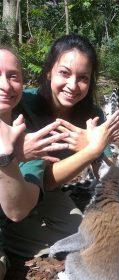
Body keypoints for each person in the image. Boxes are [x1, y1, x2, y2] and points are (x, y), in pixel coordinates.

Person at [3, 35, 119, 259]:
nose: (72, 85)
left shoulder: (92, 116)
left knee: (82, 235)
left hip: (36, 192)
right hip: (14, 180)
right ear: (49, 71)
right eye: (64, 73)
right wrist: (90, 152)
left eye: (83, 78)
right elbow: (46, 177)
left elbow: (110, 175)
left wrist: (95, 153)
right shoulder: (22, 104)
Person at [0, 46, 74, 279]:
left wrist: (8, 157)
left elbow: (18, 209)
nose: (5, 85)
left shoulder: (32, 133)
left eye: (13, 76)